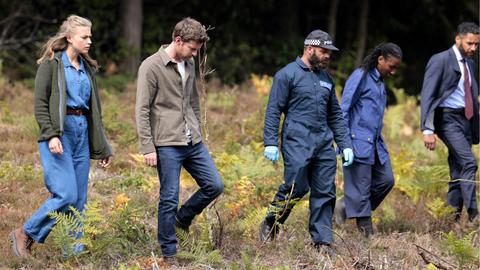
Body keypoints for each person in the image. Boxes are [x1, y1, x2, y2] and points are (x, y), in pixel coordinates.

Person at [9, 15, 112, 257]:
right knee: (66, 194)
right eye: (84, 37)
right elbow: (40, 104)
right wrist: (51, 135)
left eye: (90, 36)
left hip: (81, 134)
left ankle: (72, 253)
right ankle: (25, 232)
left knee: (79, 200)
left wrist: (102, 145)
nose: (89, 41)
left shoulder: (87, 68)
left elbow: (94, 110)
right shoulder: (51, 63)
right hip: (59, 134)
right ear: (69, 38)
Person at [135, 17, 224, 262]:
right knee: (169, 197)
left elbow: (193, 101)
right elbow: (142, 109)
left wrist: (197, 130)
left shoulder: (189, 64)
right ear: (178, 40)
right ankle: (169, 253)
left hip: (192, 142)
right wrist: (147, 147)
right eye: (192, 49)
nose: (194, 54)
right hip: (166, 144)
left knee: (215, 185)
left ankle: (181, 220)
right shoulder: (151, 67)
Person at [259, 29, 354, 254]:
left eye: (329, 52)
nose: (327, 56)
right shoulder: (287, 75)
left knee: (325, 191)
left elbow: (335, 116)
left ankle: (322, 241)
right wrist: (270, 141)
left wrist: (346, 144)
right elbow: (274, 110)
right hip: (296, 141)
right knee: (296, 187)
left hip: (323, 143)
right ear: (309, 49)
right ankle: (272, 220)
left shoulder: (326, 79)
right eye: (323, 51)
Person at [335, 43, 402, 237]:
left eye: (396, 67)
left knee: (386, 180)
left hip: (375, 144)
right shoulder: (361, 76)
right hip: (357, 143)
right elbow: (344, 109)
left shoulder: (380, 81)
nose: (393, 71)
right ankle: (367, 239)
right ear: (380, 59)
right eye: (391, 66)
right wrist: (344, 143)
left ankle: (346, 206)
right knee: (361, 190)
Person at [420, 22, 479, 222]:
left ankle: (450, 220)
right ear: (458, 39)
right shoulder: (440, 60)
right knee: (469, 162)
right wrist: (427, 128)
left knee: (458, 168)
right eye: (470, 43)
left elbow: (470, 93)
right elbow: (428, 94)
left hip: (467, 119)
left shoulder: (470, 63)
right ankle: (474, 214)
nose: (474, 48)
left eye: (476, 45)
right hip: (447, 119)